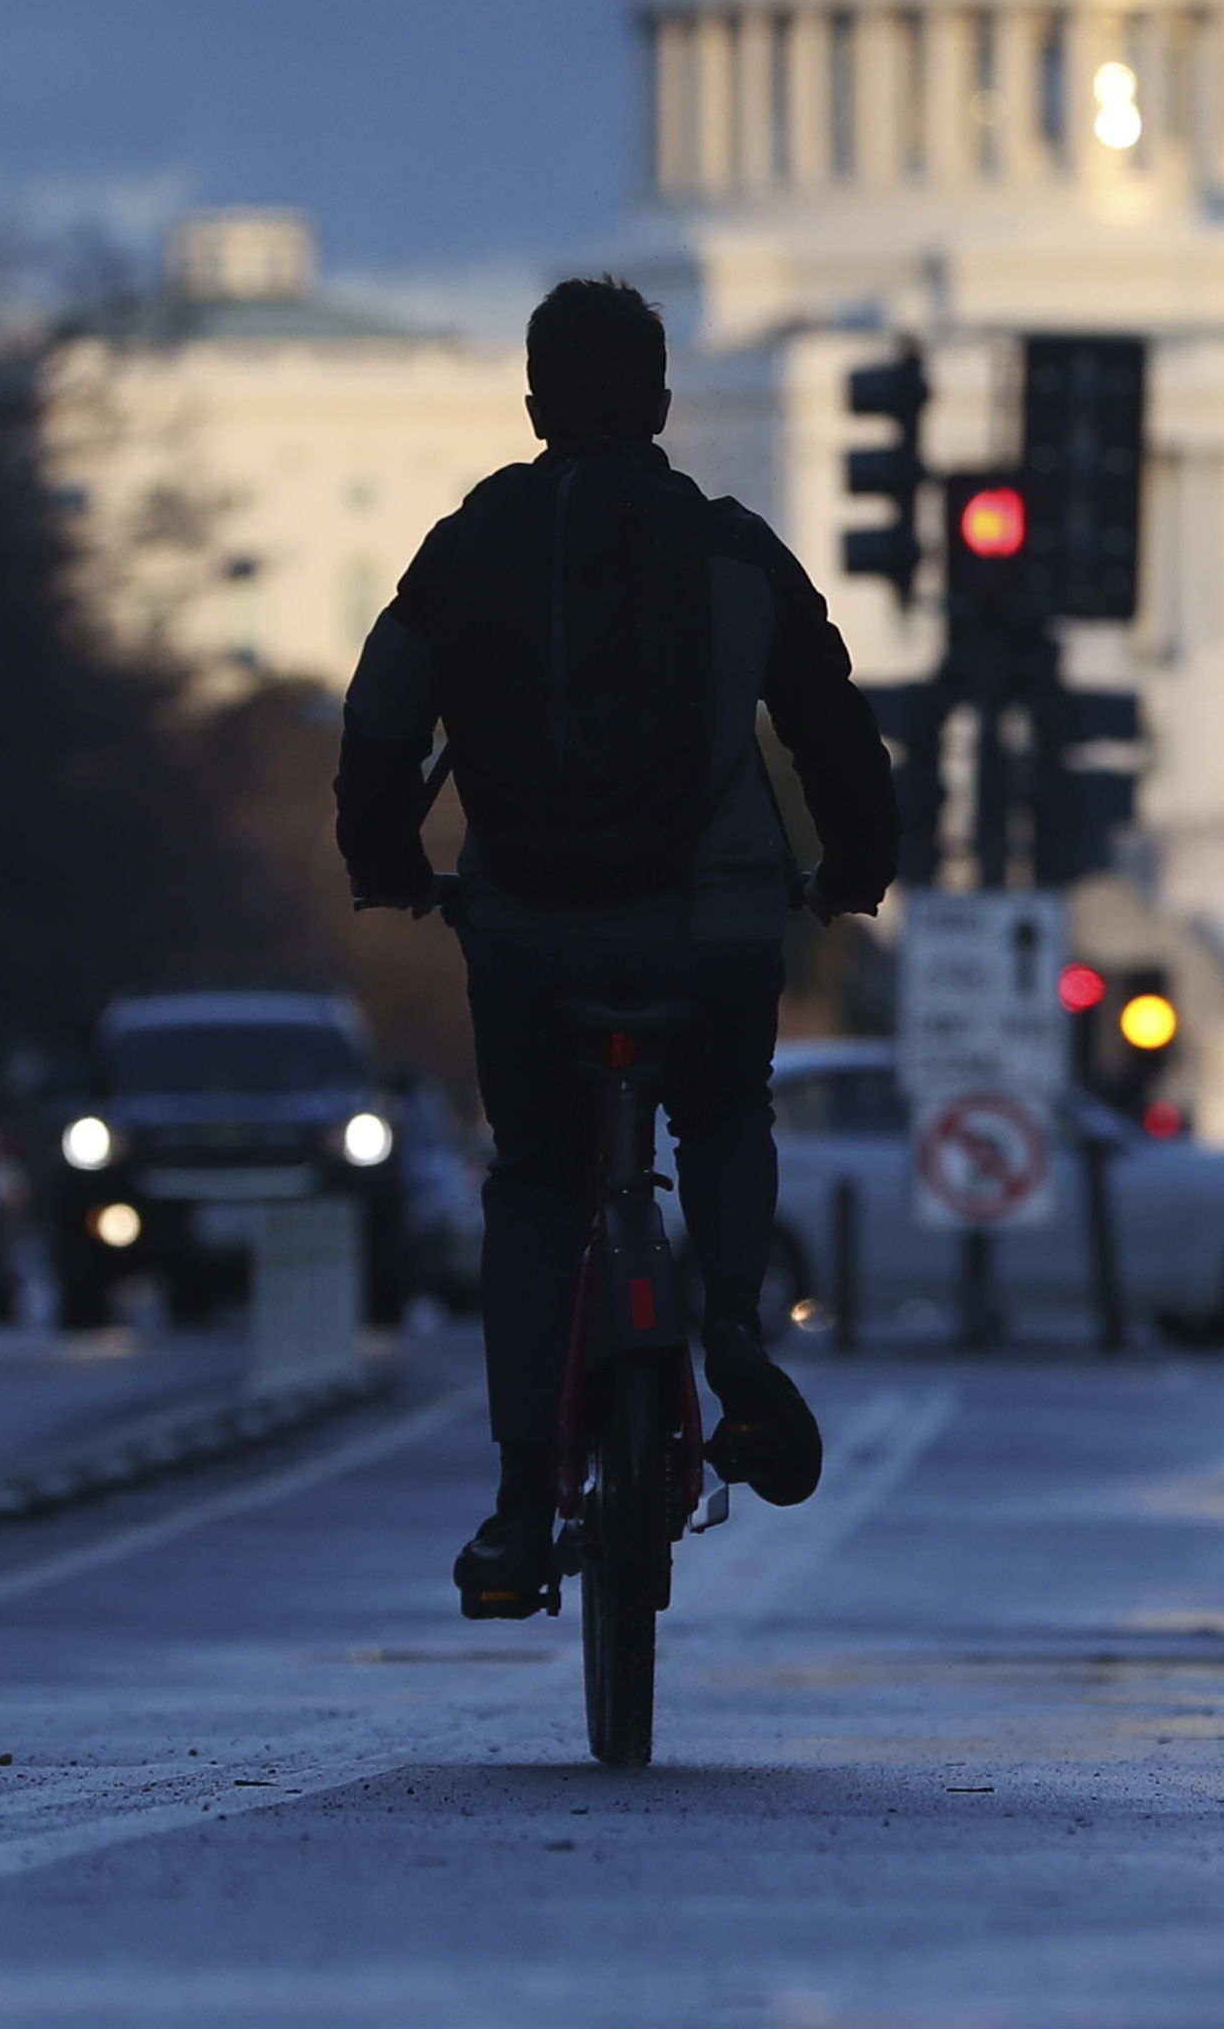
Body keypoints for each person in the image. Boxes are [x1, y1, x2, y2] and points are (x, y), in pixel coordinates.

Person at [337, 274, 896, 1618]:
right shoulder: (731, 549)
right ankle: (735, 1329)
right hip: (711, 924)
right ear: (660, 401)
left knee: (535, 1187)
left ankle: (523, 1504)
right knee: (723, 1113)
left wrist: (390, 868)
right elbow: (833, 725)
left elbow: (378, 722)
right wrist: (852, 873)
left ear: (532, 400)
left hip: (530, 932)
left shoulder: (470, 544)